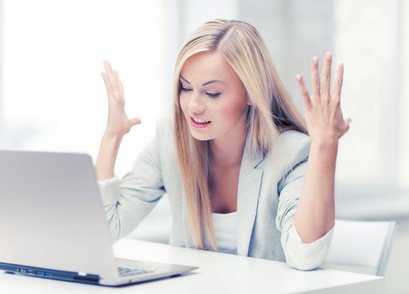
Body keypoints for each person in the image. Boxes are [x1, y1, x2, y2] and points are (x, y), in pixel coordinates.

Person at [95, 19, 350, 270]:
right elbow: (102, 231)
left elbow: (305, 257)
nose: (193, 105)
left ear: (251, 92)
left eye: (212, 93)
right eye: (185, 88)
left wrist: (324, 145)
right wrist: (111, 135)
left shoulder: (290, 152)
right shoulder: (170, 141)